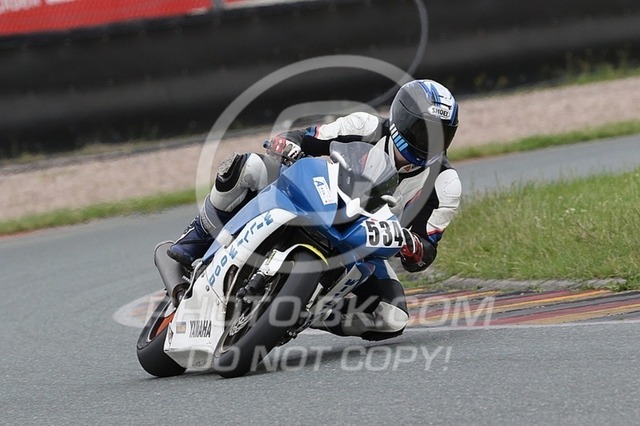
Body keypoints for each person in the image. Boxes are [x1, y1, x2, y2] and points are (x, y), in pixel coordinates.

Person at [167, 79, 461, 341]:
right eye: (423, 131)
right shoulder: (365, 126)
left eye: (441, 135)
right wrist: (287, 144)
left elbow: (425, 251)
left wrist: (414, 247)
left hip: (362, 246)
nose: (430, 143)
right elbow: (306, 137)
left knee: (392, 317)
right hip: (318, 199)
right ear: (402, 120)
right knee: (248, 167)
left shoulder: (446, 183)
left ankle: (311, 312)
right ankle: (196, 237)